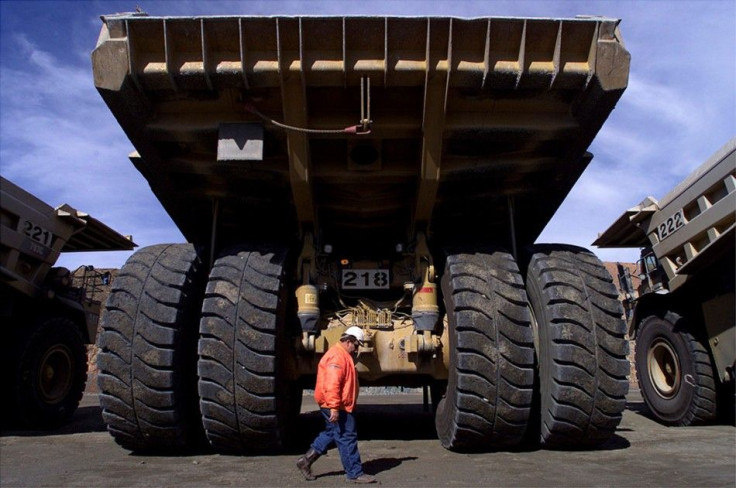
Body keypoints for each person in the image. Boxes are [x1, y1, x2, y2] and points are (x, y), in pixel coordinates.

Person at [296, 326, 377, 484]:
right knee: (347, 436)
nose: (356, 349)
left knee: (332, 433)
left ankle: (305, 461)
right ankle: (354, 473)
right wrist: (334, 407)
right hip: (336, 404)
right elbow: (332, 384)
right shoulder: (337, 357)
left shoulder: (341, 354)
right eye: (356, 345)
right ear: (348, 341)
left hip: (336, 403)